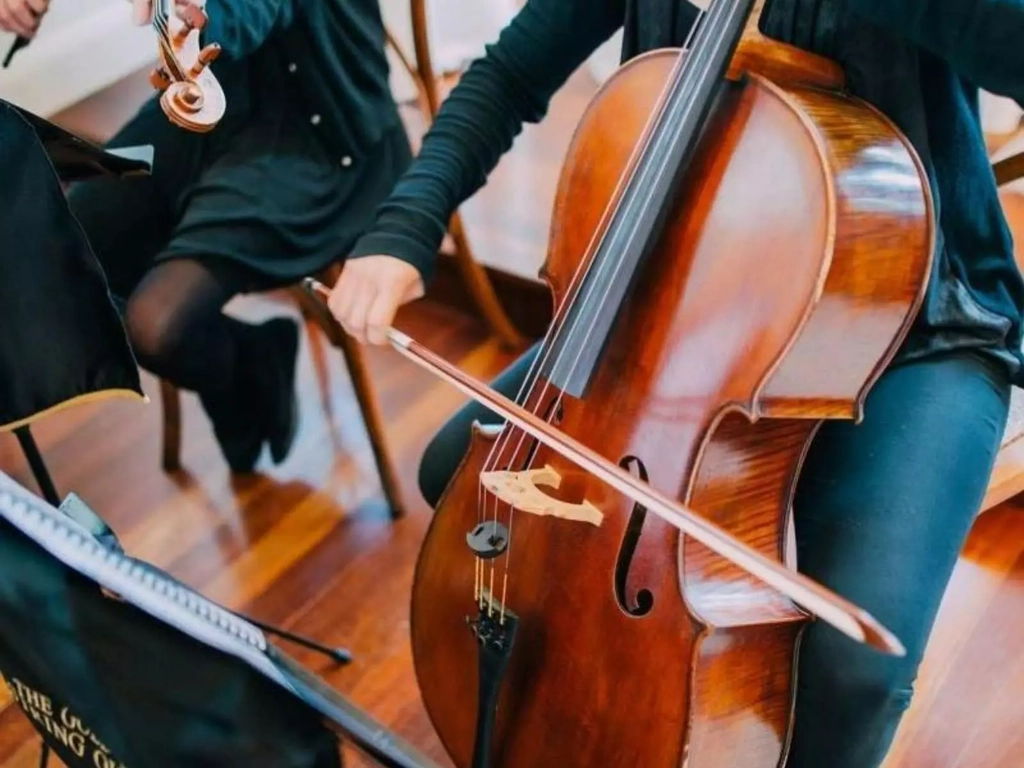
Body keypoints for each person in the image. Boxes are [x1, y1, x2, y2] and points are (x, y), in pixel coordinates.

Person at [326, 1, 1024, 766]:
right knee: (458, 473)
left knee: (853, 670)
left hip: (914, 323)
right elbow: (511, 72)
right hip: (679, 318)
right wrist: (406, 224)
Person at [1, 0, 412, 473]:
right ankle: (249, 359)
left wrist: (198, 15)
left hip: (321, 133)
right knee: (56, 261)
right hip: (217, 102)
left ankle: (243, 367)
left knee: (157, 328)